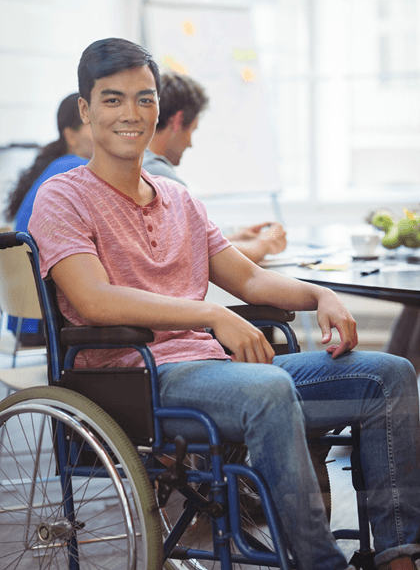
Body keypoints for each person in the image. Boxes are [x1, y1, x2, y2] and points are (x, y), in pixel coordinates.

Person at [28, 38, 420, 570]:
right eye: (112, 99)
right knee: (269, 387)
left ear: (158, 109)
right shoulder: (62, 196)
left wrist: (322, 294)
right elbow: (95, 301)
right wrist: (213, 314)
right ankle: (318, 562)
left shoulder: (181, 200)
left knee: (390, 376)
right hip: (135, 379)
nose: (131, 113)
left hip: (217, 372)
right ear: (85, 109)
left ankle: (398, 557)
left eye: (144, 99)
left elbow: (252, 281)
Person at [143, 70, 287, 264]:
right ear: (178, 121)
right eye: (192, 130)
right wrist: (265, 244)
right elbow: (200, 253)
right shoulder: (158, 176)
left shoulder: (140, 164)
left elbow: (185, 242)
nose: (190, 143)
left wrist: (232, 239)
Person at [4, 93, 94, 345]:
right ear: (71, 135)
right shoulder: (75, 171)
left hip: (24, 322)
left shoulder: (55, 168)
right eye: (91, 124)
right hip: (47, 327)